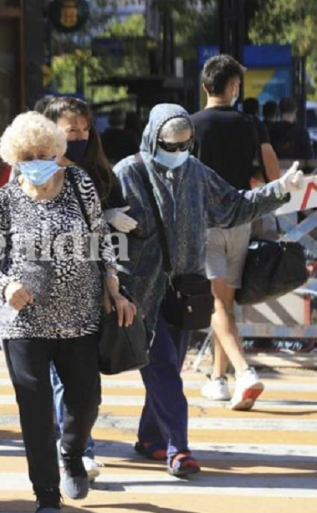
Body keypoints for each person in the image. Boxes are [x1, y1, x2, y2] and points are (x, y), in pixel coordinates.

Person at [114, 103, 303, 477]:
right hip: (141, 291)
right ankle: (178, 450)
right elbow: (96, 224)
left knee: (168, 369)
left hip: (186, 289)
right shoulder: (127, 173)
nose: (178, 152)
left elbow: (233, 208)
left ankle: (150, 438)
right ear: (153, 137)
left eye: (185, 144)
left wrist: (279, 189)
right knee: (164, 366)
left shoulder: (195, 173)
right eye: (171, 144)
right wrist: (108, 221)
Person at [0, 111, 136, 510]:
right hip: (23, 324)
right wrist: (6, 285)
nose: (35, 161)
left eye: (43, 152)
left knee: (86, 402)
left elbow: (102, 244)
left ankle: (72, 451)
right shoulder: (7, 199)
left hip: (79, 318)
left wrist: (113, 290)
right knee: (34, 408)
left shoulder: (80, 185)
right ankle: (46, 493)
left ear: (57, 151)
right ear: (14, 158)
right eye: (26, 155)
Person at [41, 96, 137, 482]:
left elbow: (117, 238)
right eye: (70, 131)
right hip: (42, 292)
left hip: (91, 289)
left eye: (84, 130)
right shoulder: (32, 172)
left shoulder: (100, 174)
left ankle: (73, 445)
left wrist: (112, 219)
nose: (79, 137)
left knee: (82, 379)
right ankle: (78, 452)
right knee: (60, 376)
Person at [191, 54, 282, 411]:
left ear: (204, 87)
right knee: (225, 303)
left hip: (205, 223)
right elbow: (272, 171)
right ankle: (217, 380)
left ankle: (244, 371)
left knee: (215, 303)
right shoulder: (251, 124)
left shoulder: (191, 125)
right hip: (241, 220)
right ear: (234, 88)